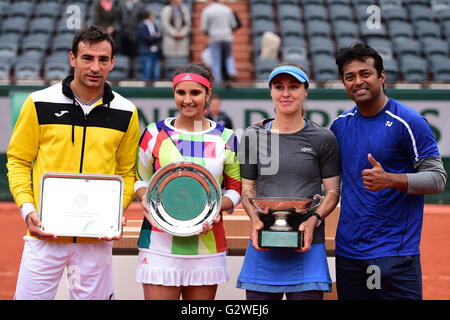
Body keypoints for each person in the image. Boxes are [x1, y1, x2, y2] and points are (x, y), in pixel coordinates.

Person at [6, 26, 141, 300]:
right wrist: (27, 209)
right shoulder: (39, 102)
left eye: (103, 59)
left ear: (112, 62)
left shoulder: (127, 112)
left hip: (96, 240)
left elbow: (127, 172)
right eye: (87, 58)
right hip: (45, 234)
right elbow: (18, 161)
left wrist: (116, 210)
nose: (95, 67)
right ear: (72, 59)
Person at [331, 42, 447, 300]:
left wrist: (391, 180)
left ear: (381, 77)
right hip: (349, 254)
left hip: (395, 254)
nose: (358, 81)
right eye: (350, 77)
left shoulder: (409, 122)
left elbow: (438, 179)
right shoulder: (339, 126)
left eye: (365, 74)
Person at [134, 62, 242, 300]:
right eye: (181, 92)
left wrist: (213, 210)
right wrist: (143, 198)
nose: (188, 99)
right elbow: (140, 178)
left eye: (195, 92)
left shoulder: (226, 138)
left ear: (208, 94)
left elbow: (235, 190)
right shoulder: (154, 133)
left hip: (207, 244)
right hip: (159, 244)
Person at [236, 64, 341, 300]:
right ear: (271, 92)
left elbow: (333, 191)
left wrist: (313, 220)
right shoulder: (252, 136)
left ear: (305, 91)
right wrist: (254, 220)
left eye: (293, 86)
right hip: (263, 243)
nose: (286, 93)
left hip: (308, 243)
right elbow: (248, 189)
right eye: (279, 87)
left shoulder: (324, 139)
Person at [201, 0, 238, 84]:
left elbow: (204, 28)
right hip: (227, 36)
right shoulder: (227, 9)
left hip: (215, 38)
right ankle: (232, 71)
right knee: (228, 56)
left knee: (216, 60)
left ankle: (218, 81)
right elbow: (234, 25)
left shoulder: (207, 10)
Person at [117, 0, 146, 65]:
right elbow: (118, 16)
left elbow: (143, 15)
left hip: (135, 32)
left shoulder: (139, 4)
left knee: (134, 54)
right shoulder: (122, 4)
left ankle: (133, 68)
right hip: (124, 32)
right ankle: (124, 66)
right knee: (124, 52)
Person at [137, 9, 162, 81]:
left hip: (155, 51)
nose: (153, 17)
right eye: (152, 15)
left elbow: (159, 36)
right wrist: (155, 36)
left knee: (156, 72)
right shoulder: (142, 25)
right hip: (146, 52)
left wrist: (155, 37)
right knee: (146, 72)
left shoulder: (154, 25)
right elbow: (145, 38)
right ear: (148, 16)